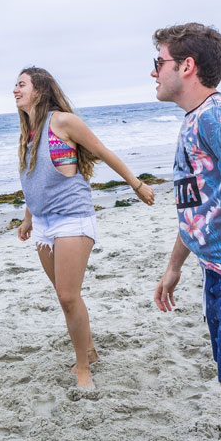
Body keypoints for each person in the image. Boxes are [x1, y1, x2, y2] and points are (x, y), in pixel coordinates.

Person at [13, 68, 154, 388]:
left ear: (39, 90)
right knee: (67, 296)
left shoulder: (61, 121)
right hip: (44, 224)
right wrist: (28, 219)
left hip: (72, 218)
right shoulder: (29, 132)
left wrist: (137, 185)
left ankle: (83, 369)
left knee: (67, 295)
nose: (15, 90)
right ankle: (88, 349)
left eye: (21, 84)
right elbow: (35, 180)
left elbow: (102, 151)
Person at [151, 23, 221, 441]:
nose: (153, 72)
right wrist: (174, 267)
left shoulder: (220, 117)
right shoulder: (194, 120)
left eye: (158, 62)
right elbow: (198, 210)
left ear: (187, 66)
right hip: (218, 274)